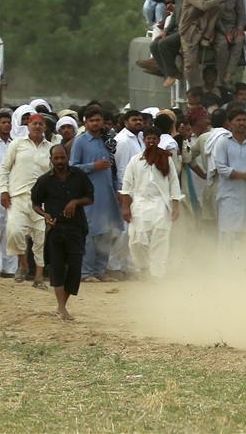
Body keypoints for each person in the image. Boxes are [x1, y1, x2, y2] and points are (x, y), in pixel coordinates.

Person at [30, 144, 93, 320]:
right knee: (57, 267)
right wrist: (45, 215)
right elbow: (35, 203)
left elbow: (90, 198)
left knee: (74, 267)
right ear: (51, 159)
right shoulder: (44, 181)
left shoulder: (79, 176)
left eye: (62, 157)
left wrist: (75, 202)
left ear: (67, 157)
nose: (59, 161)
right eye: (56, 158)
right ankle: (61, 307)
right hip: (55, 229)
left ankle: (62, 306)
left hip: (76, 228)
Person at [120, 127, 182, 280]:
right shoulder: (135, 160)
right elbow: (127, 186)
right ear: (144, 140)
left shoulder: (166, 159)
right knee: (136, 240)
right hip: (140, 203)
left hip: (161, 204)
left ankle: (157, 275)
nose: (151, 141)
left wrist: (176, 205)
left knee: (160, 240)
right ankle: (144, 267)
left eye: (154, 138)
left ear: (159, 140)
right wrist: (125, 207)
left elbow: (174, 182)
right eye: (149, 138)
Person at [69, 107, 122, 283]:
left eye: (98, 120)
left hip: (107, 193)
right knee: (90, 233)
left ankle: (100, 271)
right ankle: (86, 273)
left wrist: (117, 190)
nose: (95, 123)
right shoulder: (81, 142)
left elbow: (112, 169)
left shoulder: (108, 141)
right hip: (89, 194)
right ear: (86, 123)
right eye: (91, 121)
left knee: (107, 232)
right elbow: (73, 167)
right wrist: (93, 166)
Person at [0, 113, 52, 286]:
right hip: (18, 197)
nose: (37, 126)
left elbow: (54, 175)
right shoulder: (17, 144)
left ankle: (38, 276)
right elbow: (4, 168)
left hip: (41, 201)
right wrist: (3, 191)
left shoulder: (50, 148)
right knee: (14, 232)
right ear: (28, 126)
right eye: (34, 123)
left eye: (40, 124)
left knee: (40, 238)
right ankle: (23, 264)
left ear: (44, 126)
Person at [213, 107, 246, 252]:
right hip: (230, 195)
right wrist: (242, 176)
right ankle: (227, 269)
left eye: (244, 120)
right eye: (238, 120)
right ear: (230, 124)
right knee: (229, 233)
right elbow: (221, 168)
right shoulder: (223, 143)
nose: (242, 123)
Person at [180, 0, 233, 85]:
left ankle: (222, 81)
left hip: (204, 27)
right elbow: (203, 6)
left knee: (219, 7)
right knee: (191, 63)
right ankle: (194, 89)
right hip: (190, 30)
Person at [210, 0, 245, 85]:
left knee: (239, 40)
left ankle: (229, 74)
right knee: (223, 45)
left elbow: (241, 13)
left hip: (233, 27)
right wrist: (225, 33)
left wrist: (239, 28)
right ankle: (221, 79)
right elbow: (213, 15)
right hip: (217, 28)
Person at [0, 110, 17, 278]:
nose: (6, 125)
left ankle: (9, 268)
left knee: (10, 229)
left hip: (12, 191)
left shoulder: (15, 144)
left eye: (8, 122)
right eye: (3, 122)